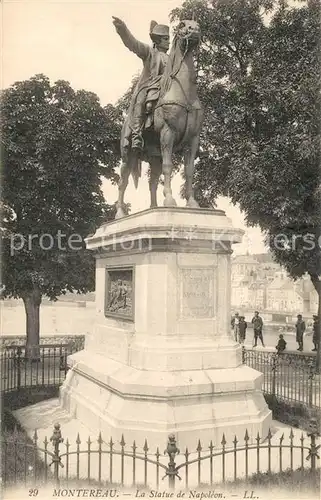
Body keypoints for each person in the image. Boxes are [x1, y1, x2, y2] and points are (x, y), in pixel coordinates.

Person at [112, 16, 170, 154]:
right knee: (142, 102)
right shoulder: (149, 52)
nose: (169, 42)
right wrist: (123, 30)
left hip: (167, 88)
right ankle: (136, 135)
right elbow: (133, 44)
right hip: (150, 86)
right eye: (166, 39)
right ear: (157, 40)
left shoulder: (172, 58)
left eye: (168, 38)